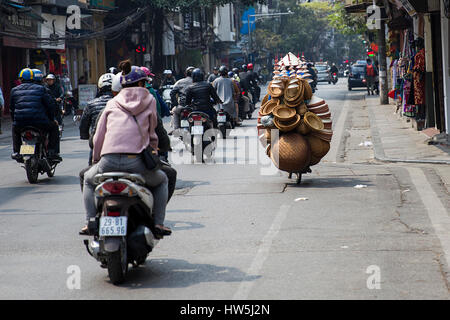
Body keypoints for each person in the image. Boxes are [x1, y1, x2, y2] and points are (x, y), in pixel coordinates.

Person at [80, 60, 171, 236]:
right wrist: (153, 153)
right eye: (144, 82)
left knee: (88, 180)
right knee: (162, 180)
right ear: (139, 83)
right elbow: (153, 133)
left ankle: (90, 221)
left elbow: (98, 137)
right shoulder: (150, 99)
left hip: (108, 162)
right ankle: (158, 224)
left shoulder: (112, 102)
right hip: (136, 162)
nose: (145, 85)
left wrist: (96, 161)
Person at [10, 68, 61, 161]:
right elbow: (50, 106)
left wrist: (15, 120)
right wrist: (52, 118)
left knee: (14, 129)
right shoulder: (41, 89)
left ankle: (17, 151)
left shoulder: (14, 90)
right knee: (54, 127)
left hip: (21, 123)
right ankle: (52, 151)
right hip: (40, 122)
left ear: (20, 79)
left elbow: (12, 109)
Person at [79, 73, 114, 165]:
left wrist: (85, 135)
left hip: (97, 142)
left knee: (88, 174)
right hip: (119, 143)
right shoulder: (122, 102)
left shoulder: (91, 104)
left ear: (100, 88)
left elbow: (83, 126)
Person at [170, 66, 195, 131]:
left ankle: (176, 129)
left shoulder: (180, 82)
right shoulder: (198, 83)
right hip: (195, 106)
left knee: (175, 112)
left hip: (182, 106)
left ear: (185, 74)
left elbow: (172, 92)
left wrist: (175, 104)